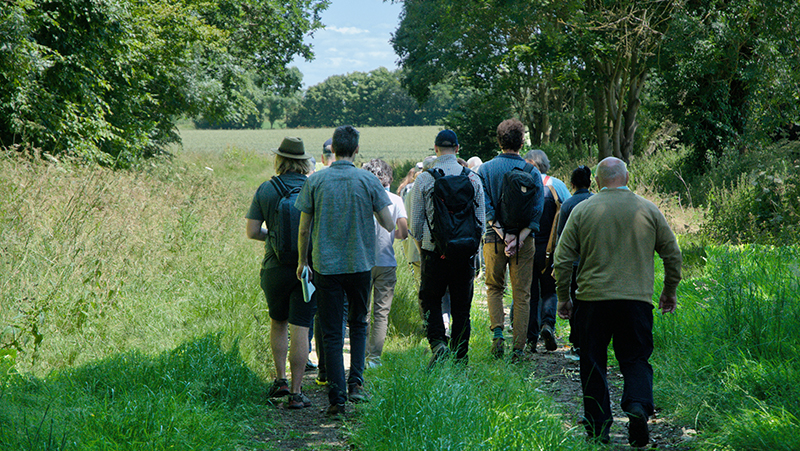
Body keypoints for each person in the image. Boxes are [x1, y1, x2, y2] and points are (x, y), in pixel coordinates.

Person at [554, 157, 682, 446]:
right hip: (635, 301)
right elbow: (672, 253)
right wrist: (669, 290)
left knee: (592, 361)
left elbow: (562, 261)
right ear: (626, 178)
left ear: (597, 181)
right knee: (635, 358)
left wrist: (564, 298)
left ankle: (598, 428)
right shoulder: (647, 209)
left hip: (591, 301)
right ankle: (637, 406)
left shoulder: (583, 210)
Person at [295, 125, 394, 417]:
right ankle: (357, 384)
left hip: (326, 266)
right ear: (356, 149)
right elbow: (389, 223)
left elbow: (304, 228)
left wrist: (303, 261)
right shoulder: (367, 180)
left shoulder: (316, 181)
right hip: (361, 263)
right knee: (359, 322)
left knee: (331, 330)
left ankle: (336, 396)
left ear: (333, 149)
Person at [245, 136, 316, 410]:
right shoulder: (313, 186)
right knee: (301, 325)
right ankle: (297, 392)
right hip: (307, 269)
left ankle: (280, 380)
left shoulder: (267, 188)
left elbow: (252, 232)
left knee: (278, 322)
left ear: (279, 159)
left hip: (275, 268)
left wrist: (273, 238)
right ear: (303, 162)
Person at [409, 130, 485, 366]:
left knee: (430, 300)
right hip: (463, 256)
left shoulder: (423, 179)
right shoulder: (472, 178)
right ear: (458, 148)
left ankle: (438, 343)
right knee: (462, 307)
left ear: (435, 149)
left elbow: (416, 225)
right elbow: (481, 224)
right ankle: (460, 358)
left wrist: (424, 250)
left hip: (434, 252)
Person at [478, 119, 543, 362]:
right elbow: (537, 212)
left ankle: (497, 335)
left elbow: (485, 207)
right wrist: (518, 238)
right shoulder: (532, 171)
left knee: (494, 287)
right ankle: (518, 348)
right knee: (522, 294)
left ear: (499, 140)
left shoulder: (484, 170)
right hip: (525, 242)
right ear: (522, 141)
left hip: (494, 239)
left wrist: (504, 236)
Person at [523, 149, 571, 353]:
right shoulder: (557, 185)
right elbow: (570, 212)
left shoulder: (522, 183)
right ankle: (548, 325)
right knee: (550, 290)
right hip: (550, 248)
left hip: (526, 245)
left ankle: (530, 338)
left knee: (530, 293)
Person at [362, 158, 409, 368]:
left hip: (362, 262)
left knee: (362, 312)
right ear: (388, 178)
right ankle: (375, 358)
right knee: (381, 313)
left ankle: (360, 356)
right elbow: (403, 232)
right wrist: (391, 234)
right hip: (386, 261)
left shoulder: (360, 199)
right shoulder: (395, 200)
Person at [556, 165, 594, 361]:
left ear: (572, 183)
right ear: (590, 182)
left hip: (574, 264)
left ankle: (577, 341)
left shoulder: (568, 205)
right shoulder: (597, 202)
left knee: (575, 302)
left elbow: (561, 237)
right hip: (594, 262)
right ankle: (590, 341)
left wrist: (556, 264)